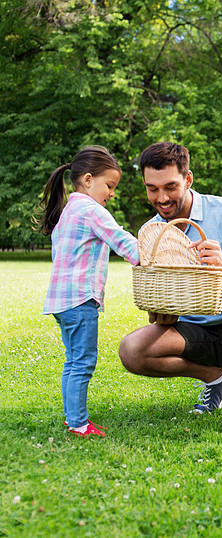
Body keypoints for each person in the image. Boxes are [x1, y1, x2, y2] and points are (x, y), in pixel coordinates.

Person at [118, 142, 222, 439]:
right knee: (132, 350)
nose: (162, 198)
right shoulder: (152, 234)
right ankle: (217, 378)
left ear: (188, 179)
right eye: (152, 189)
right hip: (200, 335)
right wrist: (162, 313)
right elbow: (167, 309)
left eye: (170, 186)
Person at [39, 146, 140, 437]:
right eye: (109, 185)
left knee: (73, 361)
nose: (111, 193)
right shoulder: (91, 210)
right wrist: (150, 254)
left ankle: (74, 420)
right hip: (80, 300)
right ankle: (80, 424)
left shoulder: (68, 211)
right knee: (83, 361)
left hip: (61, 301)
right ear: (87, 179)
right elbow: (121, 241)